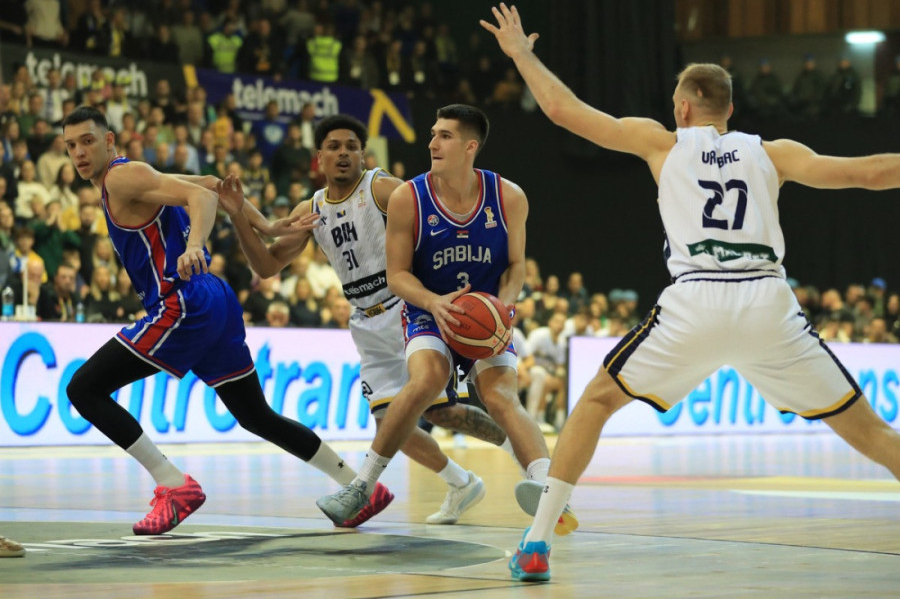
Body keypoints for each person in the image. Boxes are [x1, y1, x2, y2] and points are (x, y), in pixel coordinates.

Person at [482, 3, 900, 582]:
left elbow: (563, 110)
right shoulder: (773, 152)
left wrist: (522, 55)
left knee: (597, 401)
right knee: (869, 429)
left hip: (696, 298)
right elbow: (871, 172)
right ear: (730, 110)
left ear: (682, 108)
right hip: (766, 301)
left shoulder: (663, 143)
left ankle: (536, 541)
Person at [60, 106, 393, 536]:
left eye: (88, 141)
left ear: (109, 141)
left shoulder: (120, 177)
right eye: (71, 145)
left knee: (84, 388)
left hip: (183, 303)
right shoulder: (136, 176)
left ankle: (173, 485)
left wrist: (194, 245)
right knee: (255, 415)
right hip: (214, 299)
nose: (79, 152)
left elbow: (202, 199)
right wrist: (267, 226)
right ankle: (360, 487)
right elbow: (215, 186)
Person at [217, 114, 515, 525]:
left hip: (405, 310)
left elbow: (433, 216)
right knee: (390, 423)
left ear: (363, 154)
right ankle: (461, 482)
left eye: (351, 147)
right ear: (319, 157)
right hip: (364, 320)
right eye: (334, 147)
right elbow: (266, 266)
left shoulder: (381, 187)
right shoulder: (312, 209)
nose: (343, 153)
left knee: (441, 413)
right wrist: (238, 216)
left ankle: (519, 448)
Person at [315, 104, 578, 534]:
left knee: (501, 396)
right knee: (425, 381)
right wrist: (434, 303)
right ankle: (361, 486)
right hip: (427, 309)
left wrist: (504, 307)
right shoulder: (408, 197)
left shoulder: (509, 196)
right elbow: (398, 275)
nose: (433, 143)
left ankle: (549, 488)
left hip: (484, 312)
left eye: (445, 136)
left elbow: (516, 266)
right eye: (433, 134)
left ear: (470, 146)